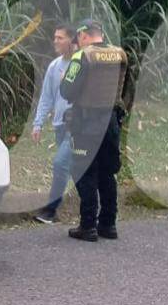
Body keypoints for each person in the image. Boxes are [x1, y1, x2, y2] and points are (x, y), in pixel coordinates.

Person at [59, 19, 127, 242]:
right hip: (112, 122)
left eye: (78, 38)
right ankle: (108, 224)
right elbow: (124, 88)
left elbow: (67, 91)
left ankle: (88, 225)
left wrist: (63, 79)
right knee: (108, 172)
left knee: (85, 172)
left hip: (87, 123)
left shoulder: (82, 56)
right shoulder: (119, 54)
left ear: (83, 35)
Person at [31, 25, 76, 224]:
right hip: (60, 124)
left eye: (60, 38)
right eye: (55, 37)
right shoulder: (54, 66)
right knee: (69, 167)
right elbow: (46, 97)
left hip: (78, 125)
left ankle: (50, 210)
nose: (55, 41)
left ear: (72, 40)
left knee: (60, 163)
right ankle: (93, 208)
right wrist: (38, 123)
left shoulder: (81, 63)